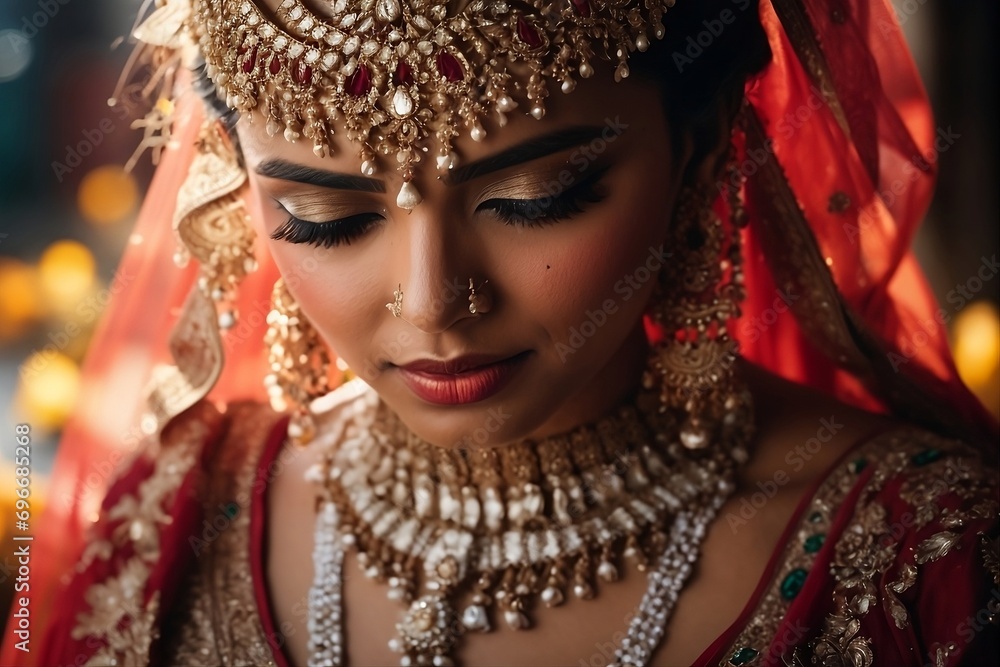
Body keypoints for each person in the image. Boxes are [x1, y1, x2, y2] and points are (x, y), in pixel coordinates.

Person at [4, 0, 998, 665]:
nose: (434, 303)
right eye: (326, 218)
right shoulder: (176, 520)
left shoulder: (928, 561)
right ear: (235, 188)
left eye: (537, 195)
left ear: (701, 153)